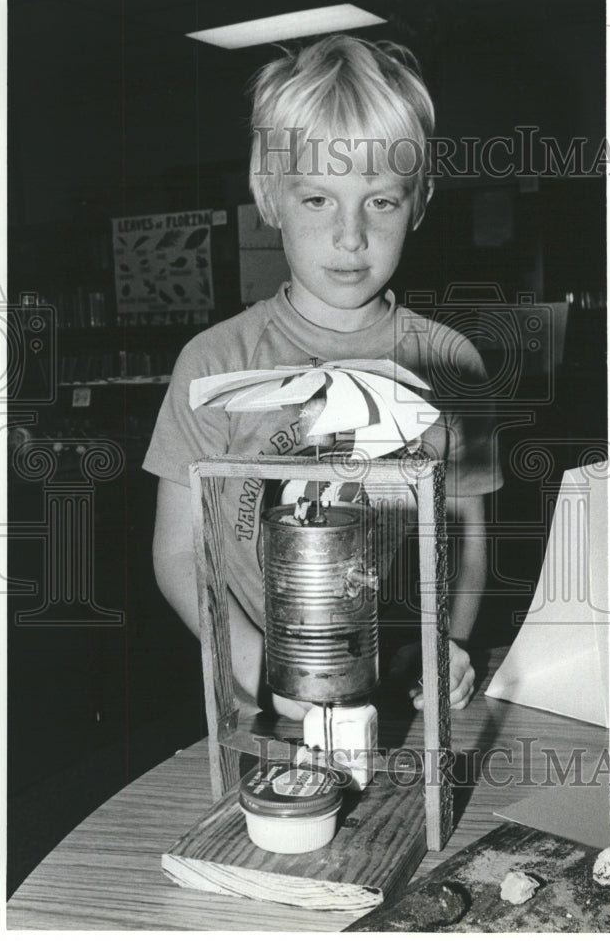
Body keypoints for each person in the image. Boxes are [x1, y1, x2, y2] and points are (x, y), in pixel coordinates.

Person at [144, 35, 502, 719]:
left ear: (421, 201)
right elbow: (181, 554)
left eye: (381, 202)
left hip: (405, 698)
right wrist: (269, 676)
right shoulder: (214, 364)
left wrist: (447, 644)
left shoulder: (453, 363)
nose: (350, 235)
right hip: (265, 705)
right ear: (269, 197)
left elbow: (466, 538)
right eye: (317, 200)